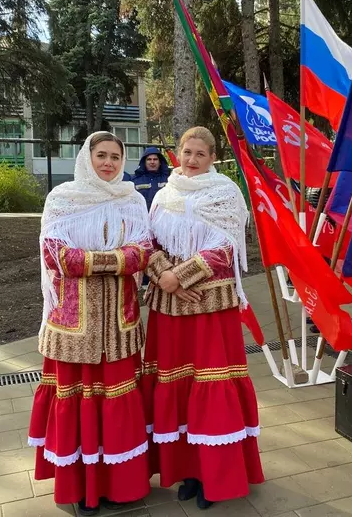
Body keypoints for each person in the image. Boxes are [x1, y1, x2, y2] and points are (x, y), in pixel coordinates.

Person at [28, 131, 152, 516]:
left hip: (119, 324)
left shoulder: (132, 201)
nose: (109, 163)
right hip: (73, 324)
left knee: (116, 403)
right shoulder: (62, 199)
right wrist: (114, 260)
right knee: (78, 401)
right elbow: (56, 256)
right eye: (102, 155)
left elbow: (142, 253)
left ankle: (119, 484)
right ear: (87, 157)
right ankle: (82, 488)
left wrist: (91, 260)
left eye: (116, 156)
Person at [141, 126, 264, 510]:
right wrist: (166, 279)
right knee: (176, 388)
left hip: (211, 308)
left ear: (213, 158)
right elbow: (149, 243)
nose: (192, 160)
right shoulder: (164, 194)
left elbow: (225, 248)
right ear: (178, 153)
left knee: (211, 388)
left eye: (200, 154)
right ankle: (189, 470)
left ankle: (216, 474)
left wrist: (180, 275)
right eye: (187, 152)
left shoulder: (225, 193)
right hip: (170, 307)